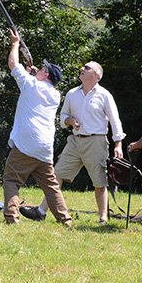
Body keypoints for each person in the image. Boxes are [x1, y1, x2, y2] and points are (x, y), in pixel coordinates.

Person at [20, 61, 125, 225]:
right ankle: (40, 212)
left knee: (99, 182)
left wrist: (118, 144)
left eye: (87, 68)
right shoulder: (72, 93)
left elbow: (115, 121)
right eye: (83, 67)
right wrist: (70, 121)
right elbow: (62, 118)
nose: (82, 69)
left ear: (96, 76)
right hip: (75, 141)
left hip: (96, 141)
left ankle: (103, 218)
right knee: (56, 176)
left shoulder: (104, 95)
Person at [3, 30, 72, 226]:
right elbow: (36, 84)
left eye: (43, 69)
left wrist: (15, 44)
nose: (40, 68)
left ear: (46, 74)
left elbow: (13, 65)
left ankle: (11, 217)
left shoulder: (32, 85)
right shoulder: (55, 95)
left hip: (26, 144)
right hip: (45, 147)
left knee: (11, 180)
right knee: (51, 187)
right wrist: (34, 75)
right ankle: (65, 220)